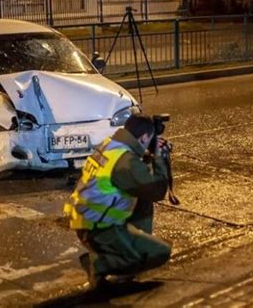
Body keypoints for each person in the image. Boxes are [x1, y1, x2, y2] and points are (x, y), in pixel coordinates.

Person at [63, 113, 172, 288]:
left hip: (84, 217)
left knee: (143, 199)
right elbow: (157, 190)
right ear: (144, 137)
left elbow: (129, 170)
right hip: (99, 227)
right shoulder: (126, 162)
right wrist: (160, 158)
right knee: (159, 253)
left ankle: (126, 250)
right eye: (149, 139)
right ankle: (98, 263)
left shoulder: (111, 145)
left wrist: (147, 153)